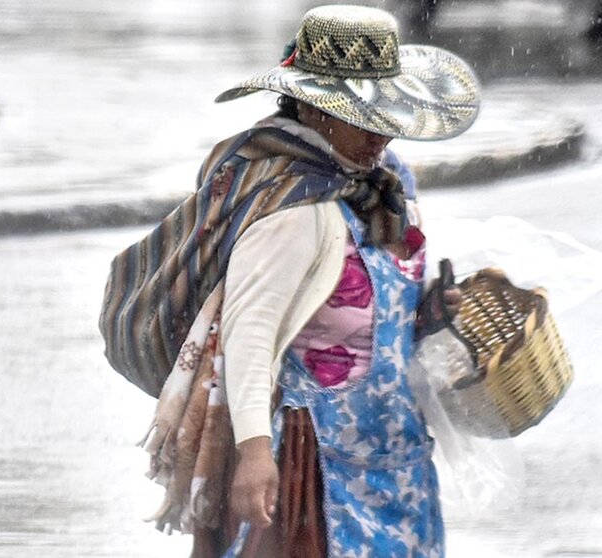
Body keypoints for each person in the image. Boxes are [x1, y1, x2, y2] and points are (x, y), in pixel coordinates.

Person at [138, 5, 480, 557]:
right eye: (360, 114)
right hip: (314, 464)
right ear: (312, 107)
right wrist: (253, 454)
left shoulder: (387, 182)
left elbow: (378, 310)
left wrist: (426, 314)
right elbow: (248, 336)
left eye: (386, 111)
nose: (379, 131)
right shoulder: (293, 206)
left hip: (397, 460)